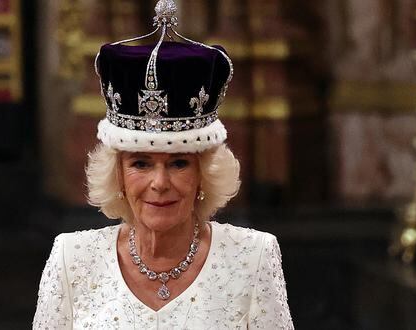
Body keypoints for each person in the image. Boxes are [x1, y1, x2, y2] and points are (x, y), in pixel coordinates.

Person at [33, 1, 293, 328]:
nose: (159, 182)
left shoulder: (254, 258)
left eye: (179, 163)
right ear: (118, 176)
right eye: (141, 163)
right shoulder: (71, 259)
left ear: (204, 173)